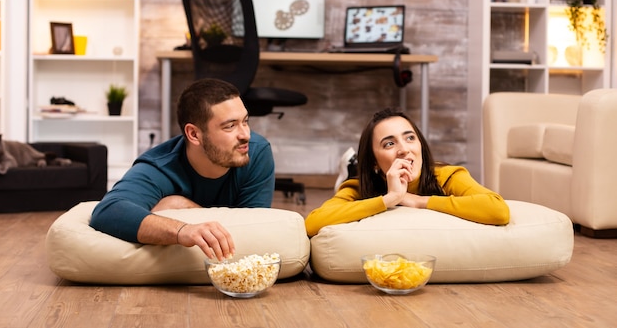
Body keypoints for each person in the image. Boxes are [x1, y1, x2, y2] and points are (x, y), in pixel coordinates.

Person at [90, 78, 275, 260]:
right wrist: (182, 230)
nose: (245, 135)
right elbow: (107, 212)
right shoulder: (159, 167)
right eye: (230, 126)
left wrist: (184, 209)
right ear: (194, 134)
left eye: (245, 121)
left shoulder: (256, 152)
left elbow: (254, 230)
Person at [305, 108, 510, 237]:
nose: (404, 149)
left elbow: (498, 210)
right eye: (389, 143)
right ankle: (352, 166)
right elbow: (313, 223)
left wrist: (419, 201)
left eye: (410, 138)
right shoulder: (358, 187)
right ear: (375, 162)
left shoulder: (447, 176)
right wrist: (390, 198)